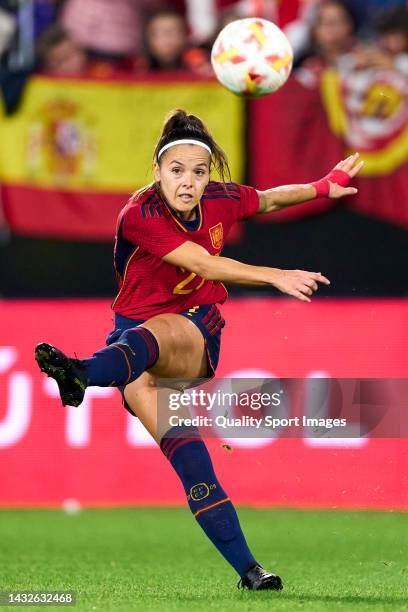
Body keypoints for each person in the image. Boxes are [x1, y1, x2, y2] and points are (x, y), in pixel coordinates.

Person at [34, 109, 363, 590]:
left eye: (199, 171)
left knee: (162, 329)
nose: (188, 182)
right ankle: (251, 572)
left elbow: (268, 200)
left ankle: (81, 372)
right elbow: (202, 264)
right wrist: (274, 275)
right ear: (157, 171)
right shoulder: (140, 214)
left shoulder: (221, 199)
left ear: (209, 175)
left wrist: (321, 187)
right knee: (193, 466)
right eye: (177, 171)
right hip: (133, 348)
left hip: (194, 332)